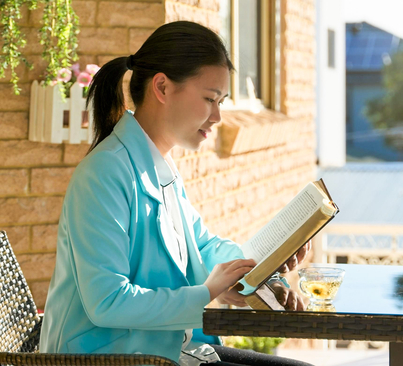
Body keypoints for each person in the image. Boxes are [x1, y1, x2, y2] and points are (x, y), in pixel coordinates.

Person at [39, 21, 313, 366]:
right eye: (210, 99)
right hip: (111, 358)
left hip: (164, 350)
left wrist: (257, 267)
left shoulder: (160, 165)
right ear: (163, 87)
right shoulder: (104, 175)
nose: (217, 117)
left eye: (222, 101)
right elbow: (107, 302)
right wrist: (208, 291)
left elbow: (200, 246)